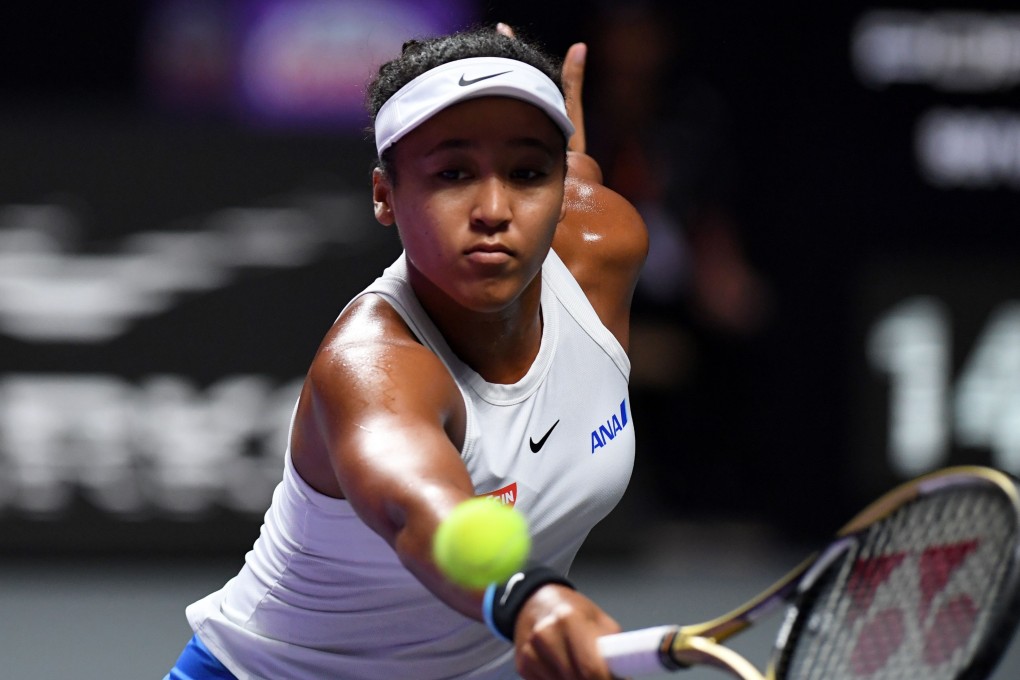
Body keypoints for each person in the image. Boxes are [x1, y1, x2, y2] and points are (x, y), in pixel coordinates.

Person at [166, 23, 648, 680]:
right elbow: (420, 510)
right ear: (384, 195)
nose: (494, 209)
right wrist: (528, 597)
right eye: (452, 172)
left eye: (528, 170)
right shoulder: (371, 366)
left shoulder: (605, 247)